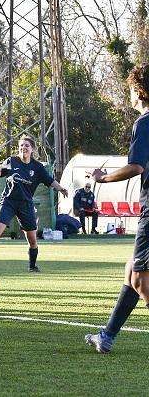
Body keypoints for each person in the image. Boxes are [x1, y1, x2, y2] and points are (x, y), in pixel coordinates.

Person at [85, 64, 149, 353]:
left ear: (139, 90)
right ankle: (107, 335)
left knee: (139, 277)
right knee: (131, 271)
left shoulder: (144, 122)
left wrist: (103, 178)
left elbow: (136, 166)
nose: (130, 96)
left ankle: (107, 336)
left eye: (131, 90)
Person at [0, 135, 68, 272]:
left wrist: (61, 188)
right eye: (21, 145)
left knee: (32, 240)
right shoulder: (12, 161)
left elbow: (50, 181)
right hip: (8, 202)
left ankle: (32, 266)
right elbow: (0, 170)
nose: (23, 148)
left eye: (27, 145)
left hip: (26, 205)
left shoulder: (37, 167)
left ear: (32, 149)